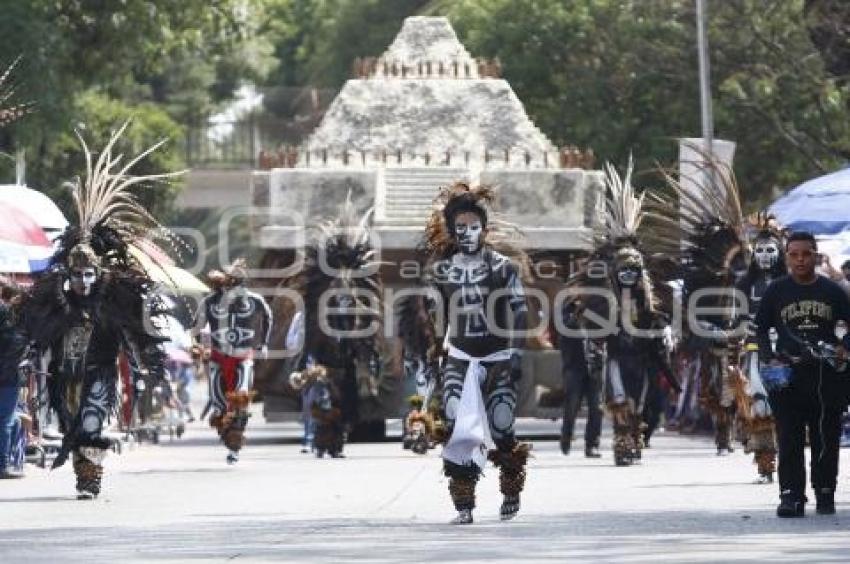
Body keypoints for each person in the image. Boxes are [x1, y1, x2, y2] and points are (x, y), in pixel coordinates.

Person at [18, 122, 175, 498]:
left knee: (90, 422)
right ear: (69, 273)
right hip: (63, 373)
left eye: (89, 273)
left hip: (100, 371)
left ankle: (91, 479)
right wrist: (26, 352)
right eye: (78, 274)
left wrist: (148, 364)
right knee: (72, 423)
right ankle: (82, 474)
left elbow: (138, 333)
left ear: (98, 272)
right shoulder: (53, 294)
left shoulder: (113, 296)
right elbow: (33, 329)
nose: (84, 281)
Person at [422, 182, 530, 524]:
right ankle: (464, 504)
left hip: (497, 357)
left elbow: (521, 310)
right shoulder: (442, 270)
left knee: (501, 424)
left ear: (484, 229)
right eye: (460, 228)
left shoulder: (502, 268)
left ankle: (511, 487)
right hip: (460, 357)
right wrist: (434, 351)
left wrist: (516, 351)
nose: (466, 233)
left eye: (473, 227)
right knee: (455, 424)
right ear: (452, 231)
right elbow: (436, 315)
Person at [755, 231, 850, 517]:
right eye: (793, 254)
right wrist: (767, 357)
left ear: (816, 256)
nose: (799, 260)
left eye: (806, 254)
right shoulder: (776, 290)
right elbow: (760, 328)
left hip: (826, 376)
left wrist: (844, 346)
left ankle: (825, 492)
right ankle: (791, 496)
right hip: (787, 376)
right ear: (786, 257)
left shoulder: (833, 291)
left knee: (825, 436)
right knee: (789, 437)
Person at [197, 259, 272, 464]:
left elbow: (267, 317)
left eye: (237, 284)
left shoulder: (255, 300)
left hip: (242, 357)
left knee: (240, 399)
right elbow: (197, 326)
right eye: (230, 284)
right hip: (217, 358)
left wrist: (263, 344)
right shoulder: (209, 302)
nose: (233, 288)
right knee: (218, 403)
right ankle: (226, 436)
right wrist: (200, 346)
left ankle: (235, 445)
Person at [735, 215, 786, 483]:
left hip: (786, 351)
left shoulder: (791, 283)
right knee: (760, 403)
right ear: (753, 254)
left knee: (786, 405)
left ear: (779, 254)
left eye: (770, 251)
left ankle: (791, 461)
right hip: (756, 347)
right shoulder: (745, 284)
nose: (765, 256)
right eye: (761, 251)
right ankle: (766, 465)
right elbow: (738, 318)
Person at [557, 303, 603, 458]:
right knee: (571, 407)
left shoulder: (597, 313)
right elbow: (564, 327)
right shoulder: (567, 311)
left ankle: (592, 445)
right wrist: (576, 313)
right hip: (574, 368)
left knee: (596, 408)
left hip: (594, 368)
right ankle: (566, 437)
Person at [0, 283, 26, 478]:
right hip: (7, 378)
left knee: (12, 420)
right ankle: (3, 464)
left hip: (8, 376)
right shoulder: (11, 321)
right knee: (6, 421)